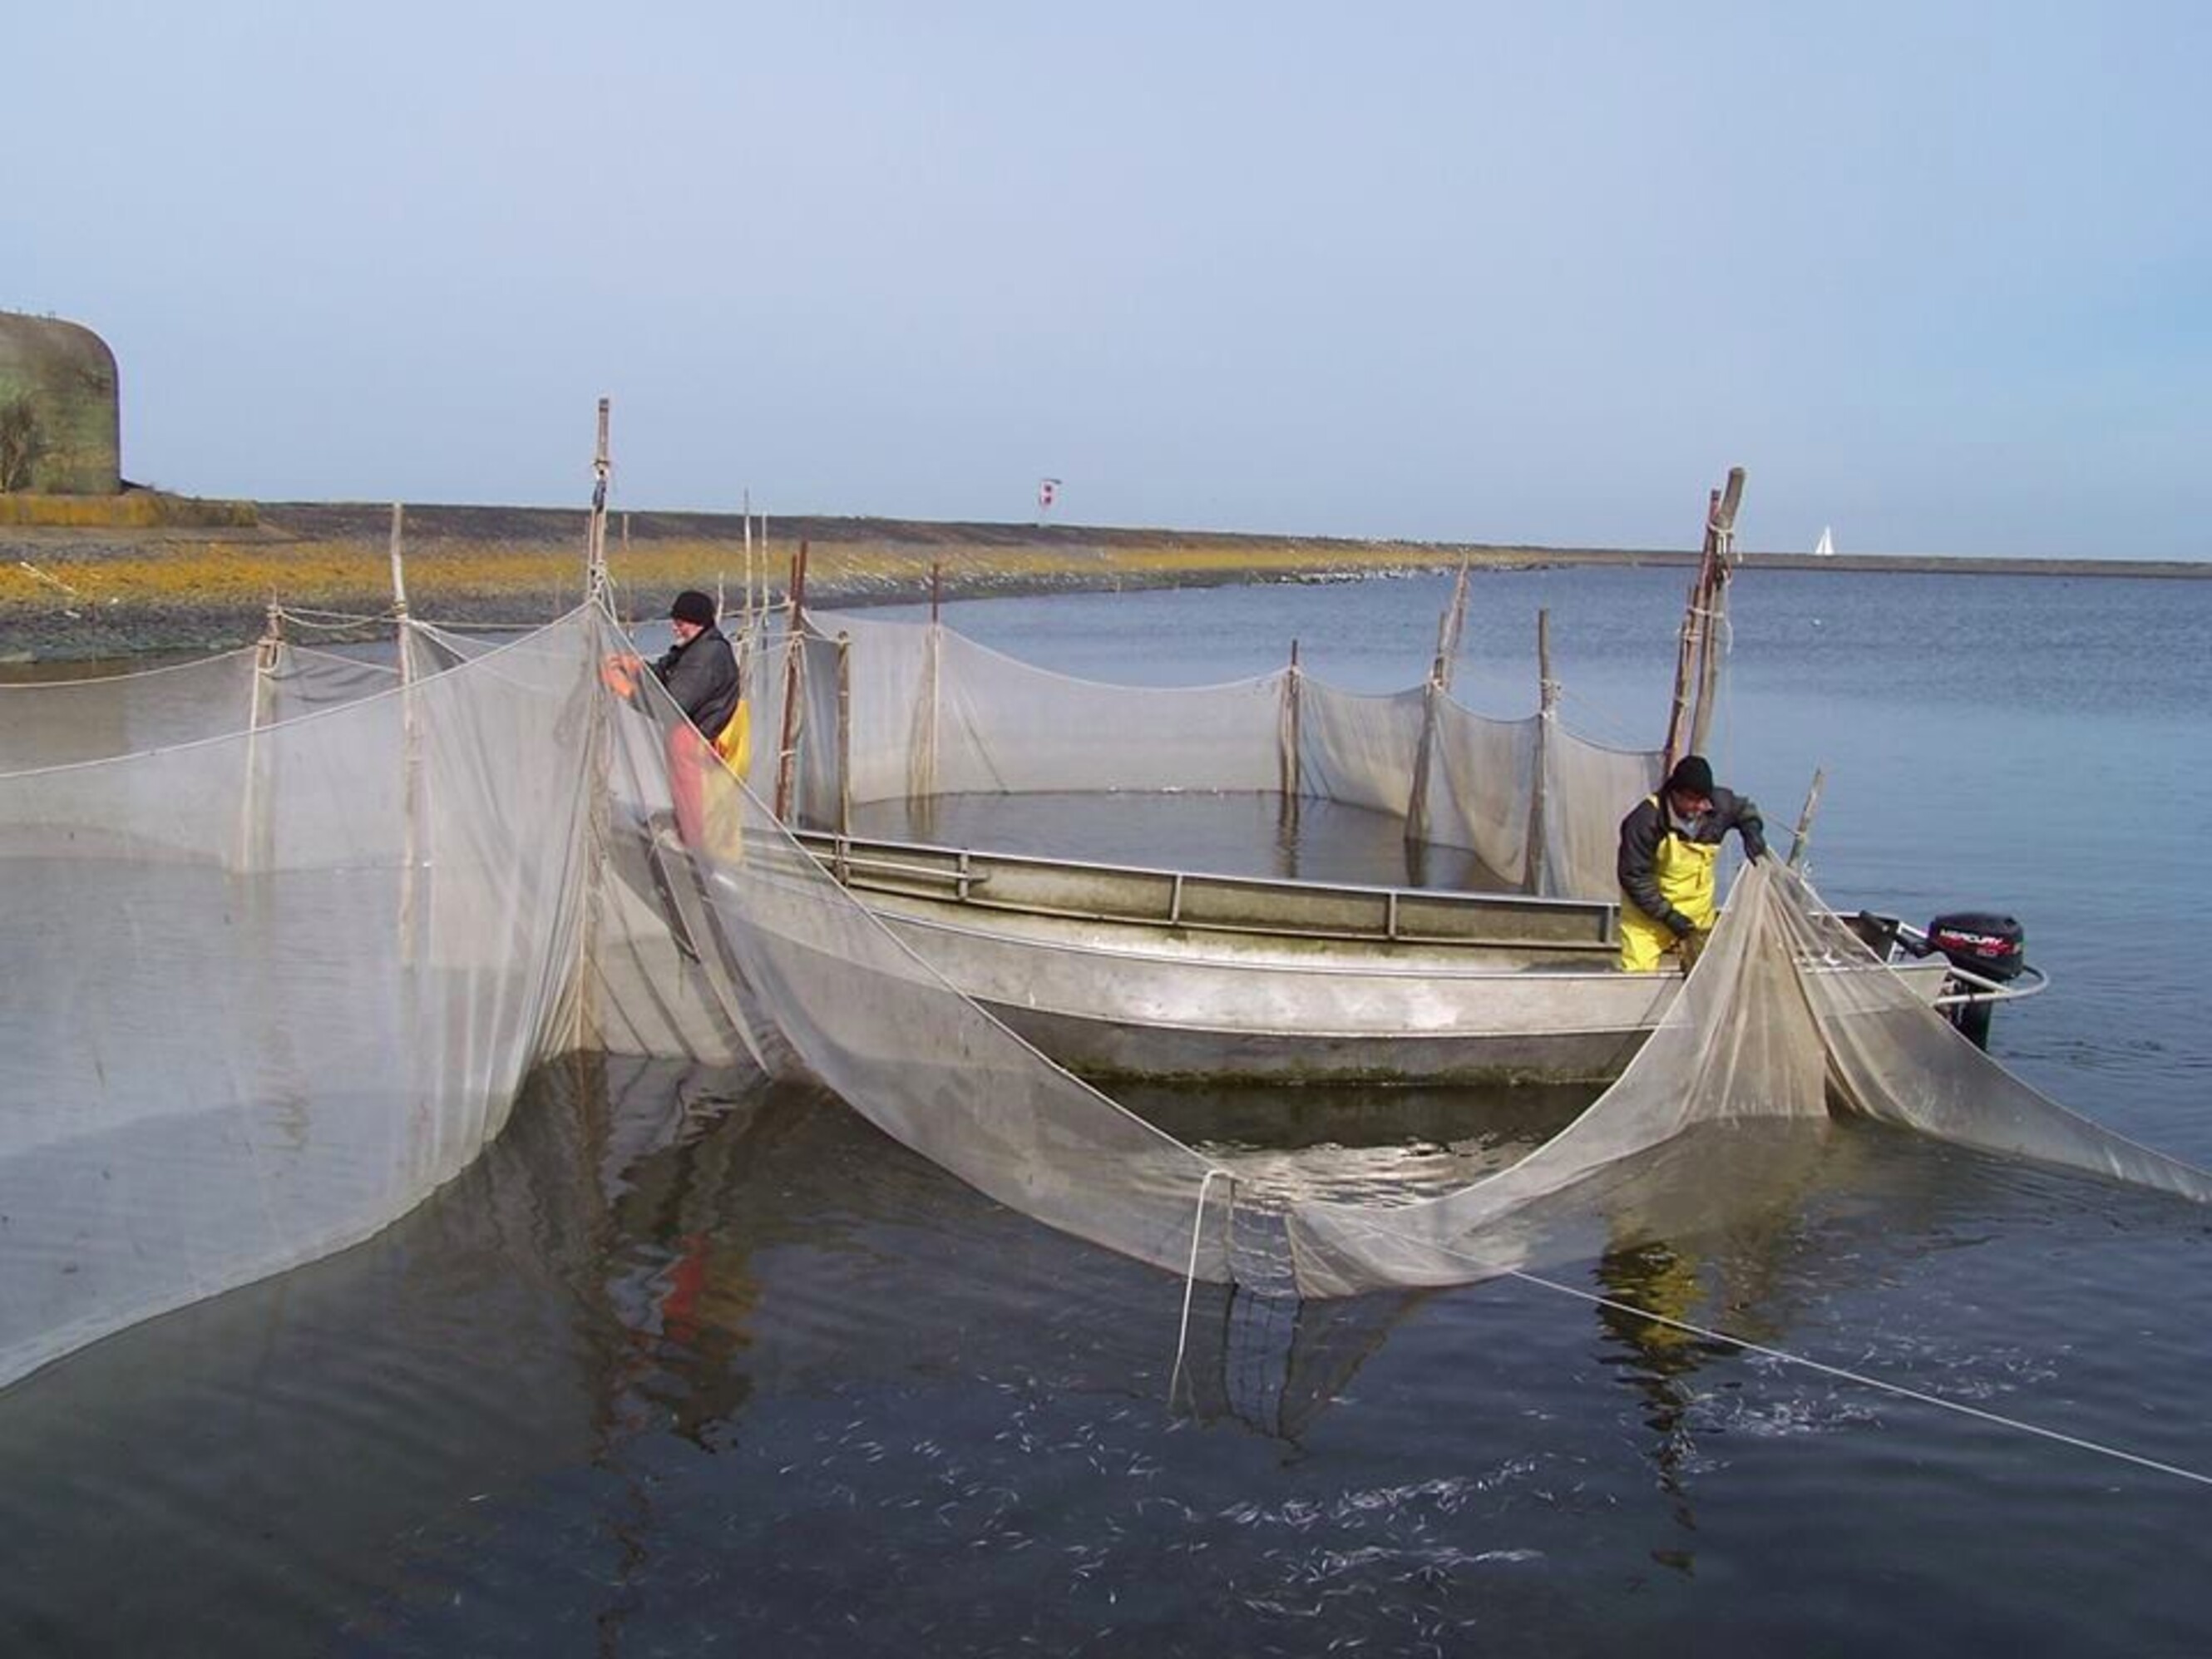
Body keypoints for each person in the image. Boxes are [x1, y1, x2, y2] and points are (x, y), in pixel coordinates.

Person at [1616, 753, 1766, 973]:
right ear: (1674, 793)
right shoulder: (1645, 821)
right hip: (1648, 919)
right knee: (1636, 978)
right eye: (1692, 799)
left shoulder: (1717, 804)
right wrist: (1667, 915)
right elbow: (1634, 876)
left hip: (1697, 916)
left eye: (1704, 800)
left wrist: (1752, 831)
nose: (1700, 806)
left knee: (1703, 977)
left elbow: (1744, 810)